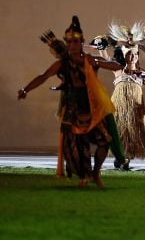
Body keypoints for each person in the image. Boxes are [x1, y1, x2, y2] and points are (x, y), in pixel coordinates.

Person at [17, 16, 124, 188]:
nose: (71, 45)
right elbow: (44, 76)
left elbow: (117, 66)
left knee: (104, 141)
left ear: (81, 42)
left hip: (92, 107)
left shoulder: (90, 59)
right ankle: (83, 176)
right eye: (68, 42)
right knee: (76, 147)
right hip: (73, 109)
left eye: (74, 41)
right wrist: (25, 90)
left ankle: (96, 174)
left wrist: (97, 62)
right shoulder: (62, 64)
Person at [103, 21, 145, 170]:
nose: (132, 57)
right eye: (129, 54)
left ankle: (127, 157)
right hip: (120, 106)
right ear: (123, 55)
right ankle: (121, 156)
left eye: (135, 54)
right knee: (120, 129)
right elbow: (104, 61)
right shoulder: (118, 69)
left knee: (134, 130)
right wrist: (101, 48)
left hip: (136, 107)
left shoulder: (142, 73)